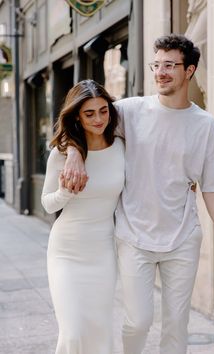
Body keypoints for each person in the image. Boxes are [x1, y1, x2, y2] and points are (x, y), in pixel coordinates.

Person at [63, 35, 214, 354]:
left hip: (183, 238)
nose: (161, 71)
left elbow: (213, 188)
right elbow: (83, 124)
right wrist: (74, 152)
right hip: (132, 236)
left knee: (176, 325)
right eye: (157, 64)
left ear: (190, 71)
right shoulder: (128, 111)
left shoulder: (206, 126)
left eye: (170, 65)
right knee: (137, 322)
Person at [41, 79, 125, 354]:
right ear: (77, 115)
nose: (99, 118)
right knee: (73, 332)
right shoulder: (62, 153)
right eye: (89, 113)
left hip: (103, 253)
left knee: (100, 331)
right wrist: (66, 191)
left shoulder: (122, 148)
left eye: (104, 110)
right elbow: (47, 204)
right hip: (66, 252)